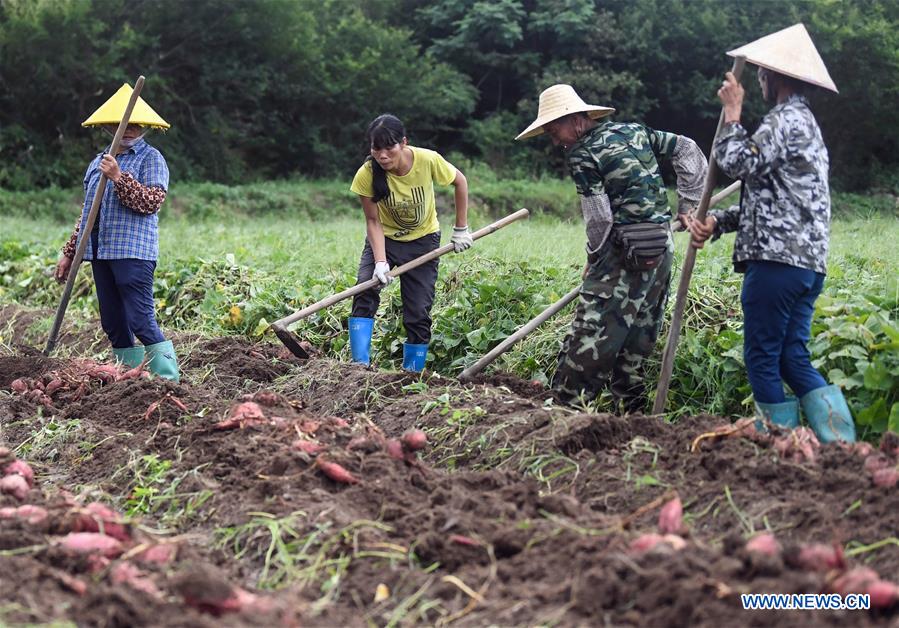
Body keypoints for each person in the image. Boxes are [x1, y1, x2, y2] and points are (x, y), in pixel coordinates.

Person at [688, 24, 854, 443]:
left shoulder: (784, 121)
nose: (757, 80)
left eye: (761, 74)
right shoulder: (806, 125)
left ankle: (782, 449)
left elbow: (737, 163)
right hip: (806, 266)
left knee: (762, 357)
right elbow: (775, 203)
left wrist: (732, 114)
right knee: (791, 359)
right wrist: (719, 223)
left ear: (773, 78)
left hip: (777, 265)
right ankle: (841, 448)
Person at [516, 84, 708, 413]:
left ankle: (565, 414)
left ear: (575, 120)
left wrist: (595, 259)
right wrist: (689, 206)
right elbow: (688, 149)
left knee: (591, 332)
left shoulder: (581, 153)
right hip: (661, 248)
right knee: (639, 335)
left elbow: (599, 218)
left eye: (554, 130)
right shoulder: (634, 131)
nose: (555, 140)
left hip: (622, 255)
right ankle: (630, 415)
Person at [55, 83, 179, 382]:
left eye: (136, 124)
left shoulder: (151, 158)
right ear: (110, 126)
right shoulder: (97, 162)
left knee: (140, 318)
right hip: (101, 250)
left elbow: (150, 202)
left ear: (143, 126)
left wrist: (118, 177)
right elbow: (88, 212)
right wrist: (70, 252)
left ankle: (168, 378)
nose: (130, 128)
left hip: (133, 252)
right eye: (123, 123)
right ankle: (127, 377)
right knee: (112, 321)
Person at [347, 114, 471, 372]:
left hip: (423, 243)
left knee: (418, 311)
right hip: (385, 240)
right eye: (376, 149)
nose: (382, 156)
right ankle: (358, 369)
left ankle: (411, 376)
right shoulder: (367, 174)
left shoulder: (427, 160)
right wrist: (380, 261)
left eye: (389, 148)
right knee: (364, 289)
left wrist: (461, 229)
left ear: (403, 143)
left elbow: (460, 181)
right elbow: (373, 221)